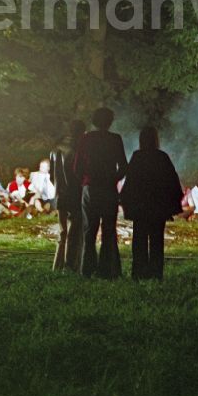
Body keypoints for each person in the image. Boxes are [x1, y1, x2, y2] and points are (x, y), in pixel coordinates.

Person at [120, 126, 184, 280]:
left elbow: (131, 180)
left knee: (139, 239)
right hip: (157, 205)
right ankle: (156, 273)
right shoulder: (162, 157)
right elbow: (172, 180)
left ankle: (139, 272)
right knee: (157, 240)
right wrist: (172, 202)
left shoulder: (138, 156)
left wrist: (126, 199)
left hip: (141, 205)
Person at [73, 107, 128, 278]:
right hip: (109, 189)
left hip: (90, 188)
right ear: (110, 121)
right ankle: (108, 270)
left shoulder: (86, 139)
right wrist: (113, 179)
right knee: (109, 230)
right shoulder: (115, 139)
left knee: (89, 229)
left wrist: (86, 179)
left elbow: (77, 167)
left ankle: (87, 269)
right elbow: (123, 166)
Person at [51, 120, 86, 272]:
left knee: (63, 231)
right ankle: (71, 266)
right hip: (75, 193)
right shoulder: (79, 149)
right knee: (75, 232)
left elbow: (53, 176)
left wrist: (58, 189)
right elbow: (78, 174)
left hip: (60, 194)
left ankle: (57, 266)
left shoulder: (55, 149)